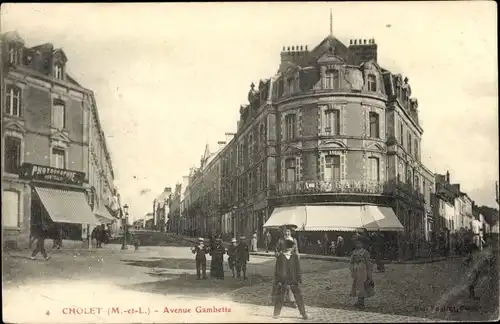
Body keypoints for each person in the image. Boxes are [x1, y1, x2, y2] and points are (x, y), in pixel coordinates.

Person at [272, 225, 308, 320]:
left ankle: (303, 313)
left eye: (288, 231)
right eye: (285, 231)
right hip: (283, 278)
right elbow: (277, 269)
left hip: (293, 278)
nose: (288, 250)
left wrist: (299, 277)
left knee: (298, 295)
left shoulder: (294, 256)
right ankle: (276, 313)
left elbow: (297, 268)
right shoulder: (281, 257)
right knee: (280, 294)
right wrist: (277, 279)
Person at [349, 235, 374, 309]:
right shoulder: (354, 252)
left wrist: (369, 273)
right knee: (356, 285)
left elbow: (368, 263)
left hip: (363, 270)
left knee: (362, 285)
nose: (358, 245)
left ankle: (361, 302)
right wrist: (352, 268)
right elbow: (351, 262)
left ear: (362, 244)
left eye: (359, 243)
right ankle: (358, 301)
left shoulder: (365, 252)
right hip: (356, 270)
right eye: (356, 243)